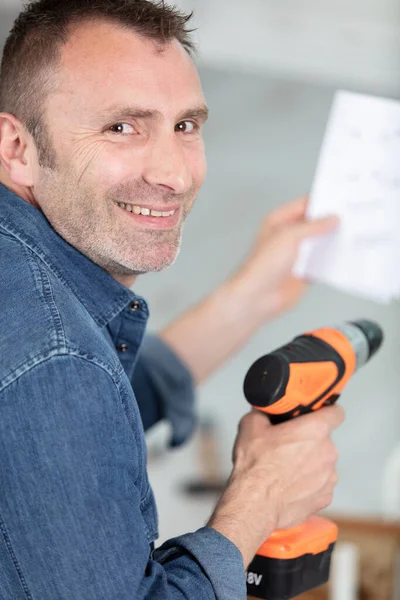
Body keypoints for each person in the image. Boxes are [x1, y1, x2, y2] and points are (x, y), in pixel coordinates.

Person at [0, 1, 343, 598]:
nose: (175, 176)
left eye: (185, 126)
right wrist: (261, 496)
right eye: (122, 127)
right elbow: (62, 382)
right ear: (17, 147)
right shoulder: (55, 357)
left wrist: (251, 296)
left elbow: (61, 422)